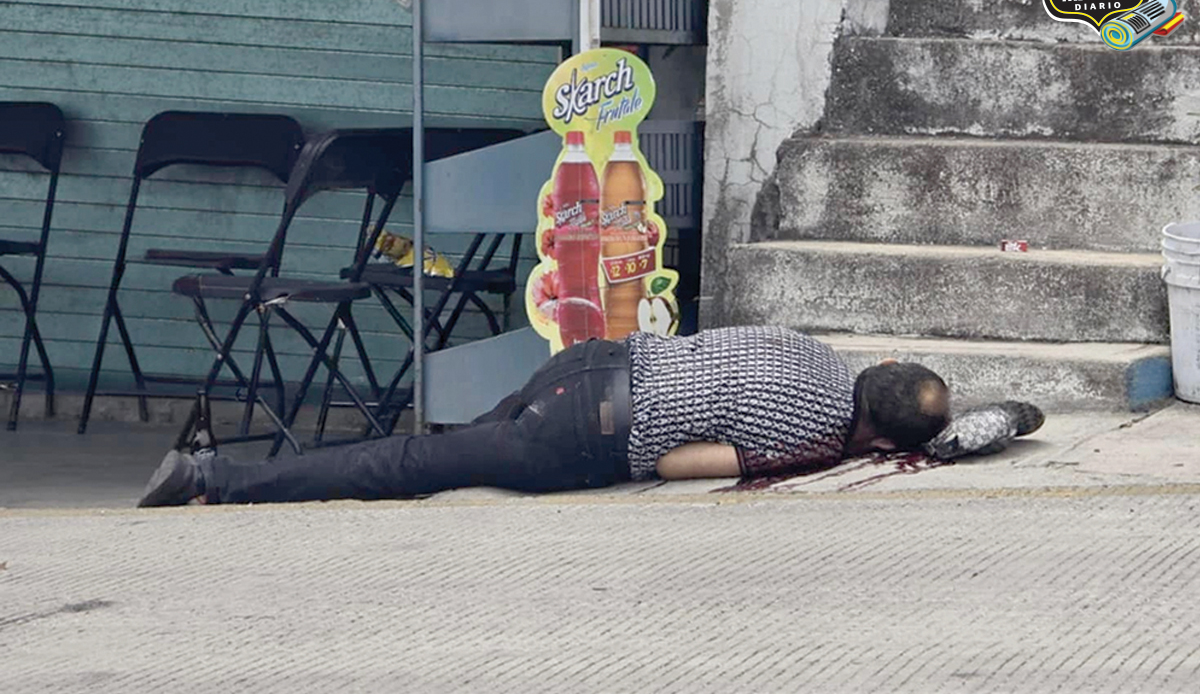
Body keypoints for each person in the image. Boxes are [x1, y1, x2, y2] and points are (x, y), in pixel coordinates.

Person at [137, 326, 952, 507]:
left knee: (437, 454)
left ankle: (219, 474)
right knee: (407, 467)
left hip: (589, 362)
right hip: (585, 433)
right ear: (881, 438)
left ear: (881, 366)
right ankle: (216, 478)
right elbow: (675, 462)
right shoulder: (814, 440)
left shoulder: (808, 346)